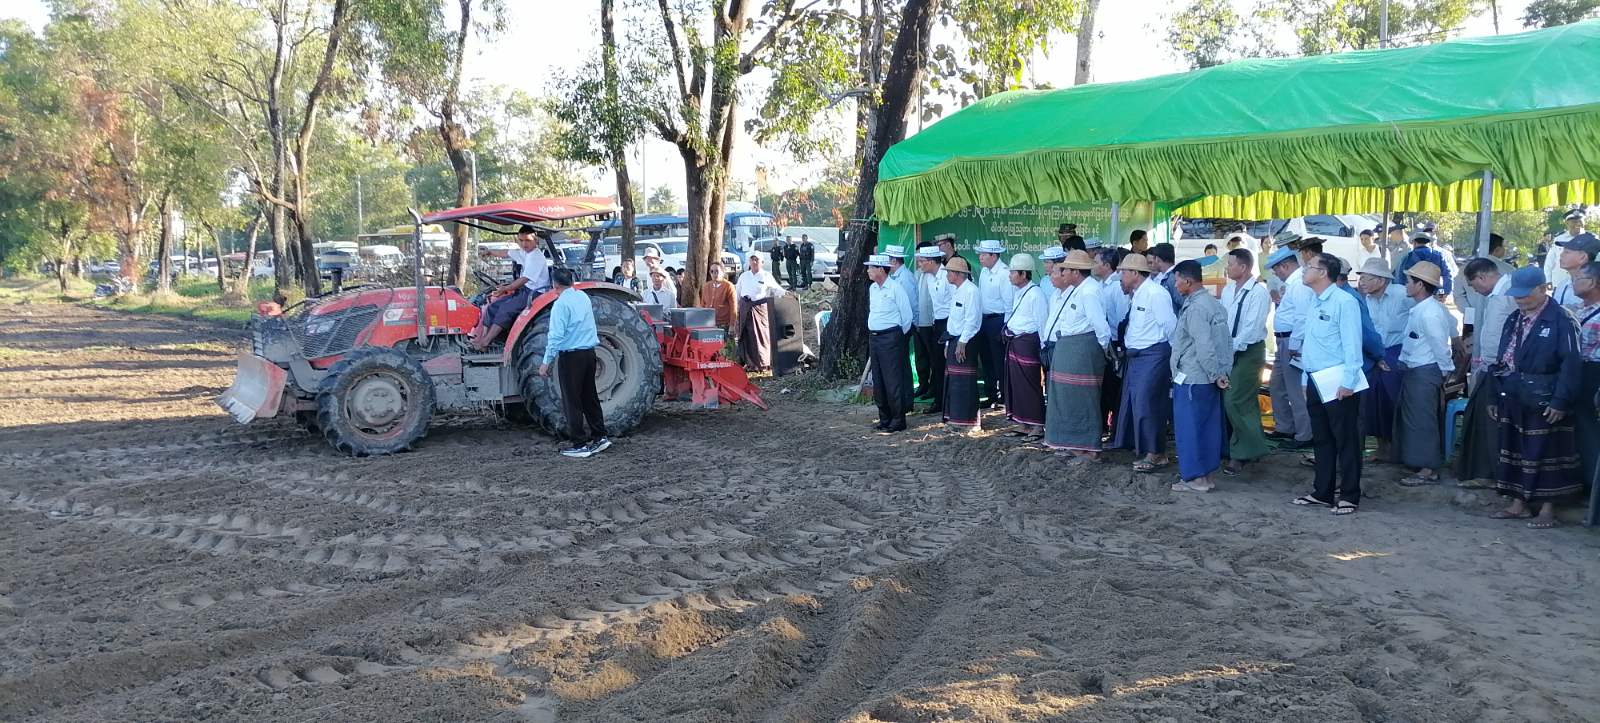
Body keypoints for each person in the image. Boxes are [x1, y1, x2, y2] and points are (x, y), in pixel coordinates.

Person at [1490, 266, 1584, 528]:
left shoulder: (1563, 320)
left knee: (1546, 453)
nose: (1520, 299)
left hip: (1546, 396)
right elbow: (1502, 358)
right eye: (1516, 295)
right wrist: (1495, 396)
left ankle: (1547, 509)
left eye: (1526, 294)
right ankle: (1518, 504)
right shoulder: (1514, 319)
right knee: (1516, 450)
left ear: (1543, 289)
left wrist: (1560, 400)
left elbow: (1571, 364)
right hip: (1514, 393)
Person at [1291, 253, 1366, 516]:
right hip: (1315, 378)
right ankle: (1322, 492)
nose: (1304, 270)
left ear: (1323, 273)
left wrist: (1348, 381)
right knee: (1322, 438)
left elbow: (1352, 344)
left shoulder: (1345, 302)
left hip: (1338, 381)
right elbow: (1311, 345)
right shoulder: (1314, 300)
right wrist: (1305, 379)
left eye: (1310, 266)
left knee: (1346, 439)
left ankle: (1349, 495)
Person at [1168, 260, 1232, 492]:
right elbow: (1225, 342)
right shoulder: (1214, 304)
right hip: (1208, 377)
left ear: (1187, 281)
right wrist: (1221, 372)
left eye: (1177, 280)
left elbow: (1204, 345)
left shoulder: (1195, 308)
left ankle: (1196, 479)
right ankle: (1205, 476)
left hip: (1194, 377)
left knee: (1190, 429)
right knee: (1207, 428)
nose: (1175, 285)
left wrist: (1215, 373)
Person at [1043, 250, 1111, 459]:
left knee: (1082, 398)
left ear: (1076, 272)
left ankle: (1088, 448)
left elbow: (1100, 325)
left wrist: (1102, 349)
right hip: (1070, 347)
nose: (1062, 273)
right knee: (1067, 396)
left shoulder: (1089, 291)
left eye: (1066, 270)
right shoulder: (1077, 289)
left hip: (1082, 349)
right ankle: (1073, 444)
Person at [1454, 257, 1516, 485]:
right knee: (1481, 418)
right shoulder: (1496, 296)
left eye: (1473, 285)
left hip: (1504, 370)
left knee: (1493, 420)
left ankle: (1495, 475)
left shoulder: (1510, 292)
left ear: (1481, 277)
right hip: (1490, 367)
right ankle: (1485, 472)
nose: (1474, 291)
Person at [1392, 262, 1455, 486]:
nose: (1406, 285)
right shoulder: (1425, 309)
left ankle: (1428, 468)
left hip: (1425, 371)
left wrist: (1445, 371)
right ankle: (1421, 463)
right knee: (1415, 418)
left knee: (1422, 420)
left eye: (1409, 281)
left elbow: (1440, 346)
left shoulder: (1429, 313)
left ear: (1420, 285)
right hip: (1418, 369)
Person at [1114, 252, 1177, 472]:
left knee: (1148, 404)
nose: (1121, 276)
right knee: (1137, 403)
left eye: (1123, 272)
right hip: (1138, 356)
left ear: (1134, 273)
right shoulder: (1138, 294)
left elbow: (1170, 327)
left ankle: (1156, 453)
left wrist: (1172, 358)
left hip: (1154, 355)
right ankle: (1146, 449)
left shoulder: (1156, 294)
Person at [538, 267, 610, 458]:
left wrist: (546, 362)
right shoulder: (583, 297)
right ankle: (600, 436)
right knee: (590, 397)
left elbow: (555, 336)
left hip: (571, 357)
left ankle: (579, 444)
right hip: (589, 353)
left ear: (555, 285)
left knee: (572, 401)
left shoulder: (560, 304)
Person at [1219, 248, 1271, 475]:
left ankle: (1240, 453)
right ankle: (1251, 447)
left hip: (1248, 350)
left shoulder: (1258, 293)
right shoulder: (1228, 290)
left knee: (1236, 399)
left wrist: (1232, 348)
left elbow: (1252, 328)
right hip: (1229, 348)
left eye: (1231, 264)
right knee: (1239, 400)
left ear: (1243, 267)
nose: (1227, 268)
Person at [1358, 257, 1412, 462]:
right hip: (1374, 353)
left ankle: (1398, 448)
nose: (1362, 282)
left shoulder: (1402, 294)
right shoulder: (1366, 300)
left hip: (1396, 351)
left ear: (1381, 280)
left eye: (1366, 278)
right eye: (1361, 277)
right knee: (1373, 400)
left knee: (1393, 399)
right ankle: (1382, 447)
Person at [1266, 248, 1314, 449]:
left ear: (1285, 266)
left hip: (1291, 340)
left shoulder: (1299, 285)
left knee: (1295, 389)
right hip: (1284, 340)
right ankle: (1286, 426)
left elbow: (1302, 317)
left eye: (1276, 269)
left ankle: (1304, 434)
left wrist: (1295, 344)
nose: (1275, 274)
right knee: (1277, 385)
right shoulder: (1293, 284)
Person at [470, 227, 548, 351]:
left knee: (505, 309)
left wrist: (506, 288)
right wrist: (490, 252)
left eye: (527, 240)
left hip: (535, 293)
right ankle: (483, 339)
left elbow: (524, 279)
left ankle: (485, 342)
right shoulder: (525, 253)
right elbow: (507, 252)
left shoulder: (536, 257)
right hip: (524, 291)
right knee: (493, 306)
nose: (524, 244)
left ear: (536, 240)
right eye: (521, 240)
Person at [864, 253, 914, 433]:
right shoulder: (873, 288)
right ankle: (884, 417)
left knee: (893, 380)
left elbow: (907, 317)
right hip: (875, 338)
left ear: (881, 269)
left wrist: (896, 338)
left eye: (871, 268)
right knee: (878, 379)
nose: (868, 271)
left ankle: (898, 419)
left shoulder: (895, 288)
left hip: (891, 338)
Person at [1001, 253, 1049, 438]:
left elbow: (1042, 322)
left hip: (1028, 344)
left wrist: (1044, 348)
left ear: (1023, 274)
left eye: (1013, 272)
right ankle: (1023, 423)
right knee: (1017, 385)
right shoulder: (1018, 292)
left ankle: (1037, 425)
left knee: (1030, 384)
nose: (1010, 276)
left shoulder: (1036, 294)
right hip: (1015, 342)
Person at [1569, 261, 1600, 515]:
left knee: (1590, 431)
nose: (1573, 283)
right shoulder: (1580, 309)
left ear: (1593, 283)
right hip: (1579, 374)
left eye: (1578, 279)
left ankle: (1593, 489)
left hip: (1593, 375)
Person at [942, 256, 983, 432]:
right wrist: (948, 344)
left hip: (966, 341)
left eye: (949, 272)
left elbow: (972, 319)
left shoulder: (971, 291)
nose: (947, 275)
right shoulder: (957, 290)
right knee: (955, 381)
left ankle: (970, 422)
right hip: (954, 339)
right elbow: (953, 319)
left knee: (965, 382)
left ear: (958, 274)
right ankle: (956, 419)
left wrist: (962, 342)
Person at [1094, 246, 1131, 436]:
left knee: (1113, 389)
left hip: (1114, 344)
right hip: (1104, 344)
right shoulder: (1100, 285)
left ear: (1107, 265)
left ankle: (1116, 430)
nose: (1093, 265)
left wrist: (1118, 347)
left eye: (1096, 262)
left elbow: (1122, 319)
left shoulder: (1117, 287)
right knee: (1103, 388)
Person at [974, 239, 1014, 409]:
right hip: (984, 320)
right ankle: (991, 394)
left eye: (983, 254)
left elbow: (1008, 303)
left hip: (998, 320)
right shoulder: (984, 271)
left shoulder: (1004, 273)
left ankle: (1004, 396)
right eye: (980, 254)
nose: (980, 257)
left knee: (999, 360)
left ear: (994, 255)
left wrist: (1005, 326)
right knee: (986, 359)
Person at [914, 244, 951, 412]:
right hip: (937, 323)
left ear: (931, 261)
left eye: (922, 261)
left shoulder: (948, 276)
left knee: (948, 364)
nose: (919, 264)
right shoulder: (929, 277)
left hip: (950, 323)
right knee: (937, 363)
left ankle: (949, 401)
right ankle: (939, 400)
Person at [735, 254, 784, 372]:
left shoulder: (766, 275)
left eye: (756, 260)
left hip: (760, 310)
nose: (754, 262)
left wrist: (786, 293)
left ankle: (763, 363)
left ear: (762, 262)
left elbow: (776, 289)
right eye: (752, 259)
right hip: (745, 309)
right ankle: (749, 363)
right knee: (746, 336)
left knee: (761, 336)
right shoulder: (744, 276)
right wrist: (738, 309)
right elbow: (738, 294)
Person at [1394, 228, 1453, 297]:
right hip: (1434, 295)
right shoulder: (1439, 256)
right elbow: (1447, 276)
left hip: (1413, 296)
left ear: (1414, 243)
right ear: (1429, 243)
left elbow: (1400, 277)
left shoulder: (1408, 257)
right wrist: (1442, 294)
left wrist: (1405, 294)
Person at [1551, 232, 1599, 307]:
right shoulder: (1563, 284)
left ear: (1583, 257)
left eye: (1567, 252)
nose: (1561, 254)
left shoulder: (1593, 290)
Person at [1543, 208, 1585, 292]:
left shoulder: (1592, 239)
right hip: (1560, 283)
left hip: (1583, 285)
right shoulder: (1558, 239)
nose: (1578, 224)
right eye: (1574, 222)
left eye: (1580, 221)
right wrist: (1548, 280)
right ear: (1567, 223)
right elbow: (1549, 262)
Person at [699, 262, 738, 336]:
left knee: (726, 343)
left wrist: (732, 325)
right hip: (708, 324)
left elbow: (733, 308)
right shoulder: (706, 286)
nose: (714, 274)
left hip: (724, 325)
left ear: (723, 272)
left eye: (717, 271)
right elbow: (703, 305)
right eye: (712, 271)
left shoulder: (729, 286)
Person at [1148, 243, 1182, 310]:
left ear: (1157, 259)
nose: (1153, 264)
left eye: (1154, 259)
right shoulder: (1169, 277)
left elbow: (1183, 304)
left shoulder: (1173, 278)